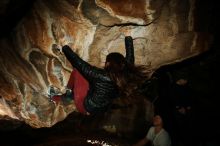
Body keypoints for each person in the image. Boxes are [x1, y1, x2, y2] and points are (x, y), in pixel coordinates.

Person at [48, 30, 150, 115]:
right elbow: (130, 59)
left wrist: (64, 46)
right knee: (88, 79)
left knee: (78, 72)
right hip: (102, 109)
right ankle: (70, 96)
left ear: (108, 64)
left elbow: (79, 63)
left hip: (84, 106)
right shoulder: (125, 75)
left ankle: (62, 95)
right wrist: (128, 36)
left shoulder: (101, 75)